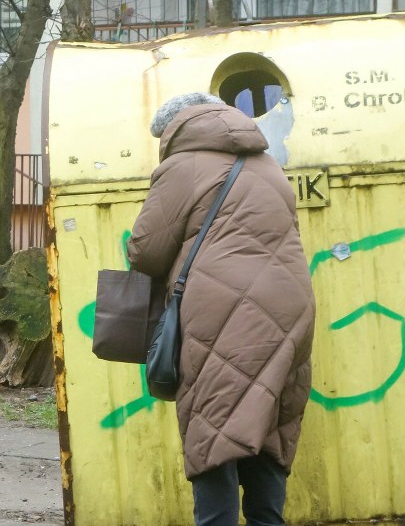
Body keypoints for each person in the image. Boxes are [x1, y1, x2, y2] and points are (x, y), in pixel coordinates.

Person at [127, 92, 315, 526]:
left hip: (219, 309)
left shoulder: (180, 167)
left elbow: (146, 253)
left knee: (213, 422)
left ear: (175, 129)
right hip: (292, 306)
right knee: (268, 420)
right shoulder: (270, 167)